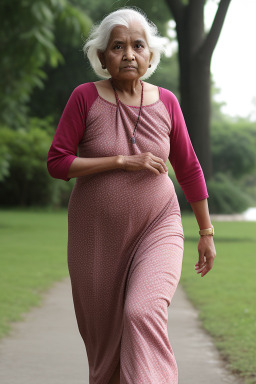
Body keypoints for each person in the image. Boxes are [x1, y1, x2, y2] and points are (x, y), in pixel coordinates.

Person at [47, 7, 216, 384]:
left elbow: (188, 168)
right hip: (96, 237)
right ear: (103, 57)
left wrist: (206, 233)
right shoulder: (85, 97)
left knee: (142, 312)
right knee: (104, 350)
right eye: (118, 46)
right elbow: (57, 162)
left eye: (138, 46)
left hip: (159, 225)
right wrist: (120, 160)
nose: (128, 54)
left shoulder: (167, 103)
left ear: (150, 56)